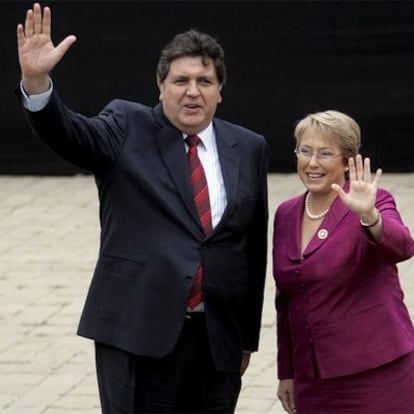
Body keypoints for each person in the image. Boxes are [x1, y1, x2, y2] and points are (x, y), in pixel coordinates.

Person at [16, 3, 269, 413]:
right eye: (181, 80)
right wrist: (37, 81)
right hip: (138, 333)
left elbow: (253, 250)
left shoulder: (249, 147)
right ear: (160, 85)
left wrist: (245, 340)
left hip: (216, 343)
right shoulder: (126, 126)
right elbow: (69, 135)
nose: (192, 91)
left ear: (220, 90)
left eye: (205, 81)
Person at [272, 110, 414, 413]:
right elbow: (285, 300)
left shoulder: (373, 200)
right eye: (305, 151)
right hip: (313, 381)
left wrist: (369, 216)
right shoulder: (286, 213)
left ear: (347, 160)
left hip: (375, 373)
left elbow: (402, 247)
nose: (312, 163)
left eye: (325, 153)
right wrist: (287, 372)